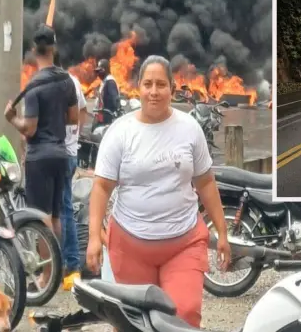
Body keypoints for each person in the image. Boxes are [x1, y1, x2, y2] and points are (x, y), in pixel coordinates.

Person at [86, 55, 231, 327]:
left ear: (172, 90)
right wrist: (94, 237)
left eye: (161, 85)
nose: (154, 92)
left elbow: (206, 182)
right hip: (130, 246)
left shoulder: (189, 129)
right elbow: (102, 187)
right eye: (148, 84)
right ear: (138, 87)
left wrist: (222, 232)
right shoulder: (120, 133)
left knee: (183, 316)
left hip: (183, 243)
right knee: (134, 323)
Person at [4, 24, 79, 286]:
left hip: (39, 158)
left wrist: (12, 118)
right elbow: (73, 118)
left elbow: (30, 127)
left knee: (40, 217)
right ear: (54, 47)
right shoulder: (66, 80)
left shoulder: (34, 85)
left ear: (34, 50)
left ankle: (46, 275)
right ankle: (56, 272)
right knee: (56, 216)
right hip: (61, 155)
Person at [56, 54, 87, 289]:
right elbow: (82, 111)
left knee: (59, 211)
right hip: (70, 152)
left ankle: (66, 265)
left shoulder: (53, 82)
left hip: (57, 154)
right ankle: (69, 266)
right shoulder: (74, 82)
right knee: (65, 209)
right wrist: (76, 136)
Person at [95, 59, 120, 124]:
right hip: (102, 116)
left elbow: (115, 100)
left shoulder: (110, 82)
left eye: (99, 71)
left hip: (108, 118)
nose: (98, 74)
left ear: (104, 70)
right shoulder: (105, 81)